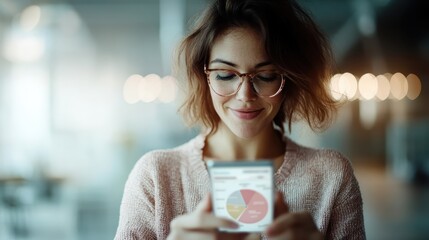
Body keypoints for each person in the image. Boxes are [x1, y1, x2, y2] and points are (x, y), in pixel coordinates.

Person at [114, 0, 366, 239]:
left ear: (289, 79)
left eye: (266, 76)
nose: (245, 95)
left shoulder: (331, 176)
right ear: (205, 78)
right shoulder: (156, 177)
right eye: (225, 75)